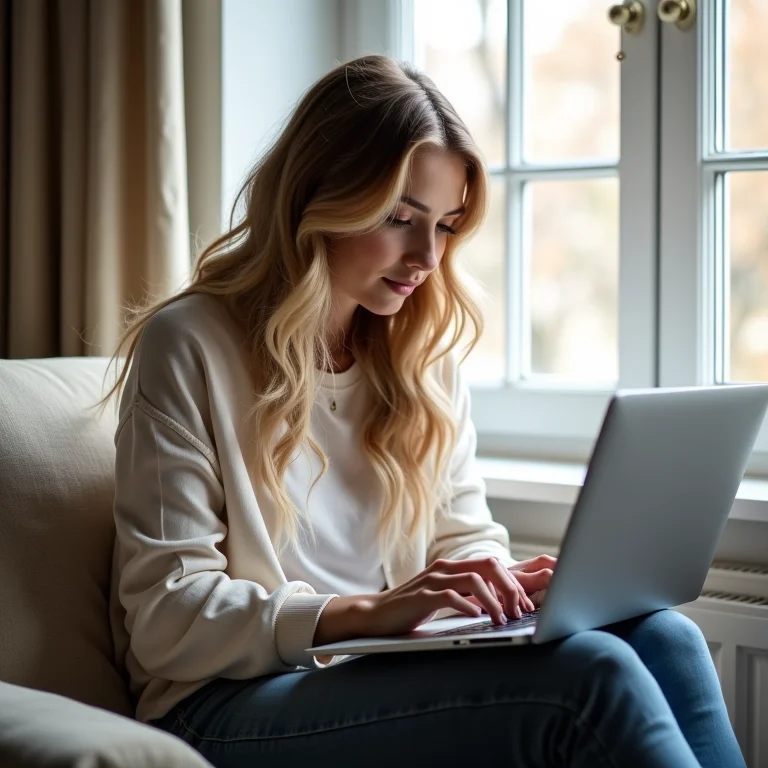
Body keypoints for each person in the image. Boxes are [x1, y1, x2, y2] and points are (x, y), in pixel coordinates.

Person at [99, 55, 745, 768]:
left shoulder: (417, 352)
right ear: (317, 199)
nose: (426, 258)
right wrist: (371, 614)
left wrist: (498, 585)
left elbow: (462, 534)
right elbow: (166, 616)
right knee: (592, 680)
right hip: (225, 702)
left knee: (664, 637)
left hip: (377, 671)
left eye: (445, 225)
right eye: (400, 219)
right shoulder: (190, 344)